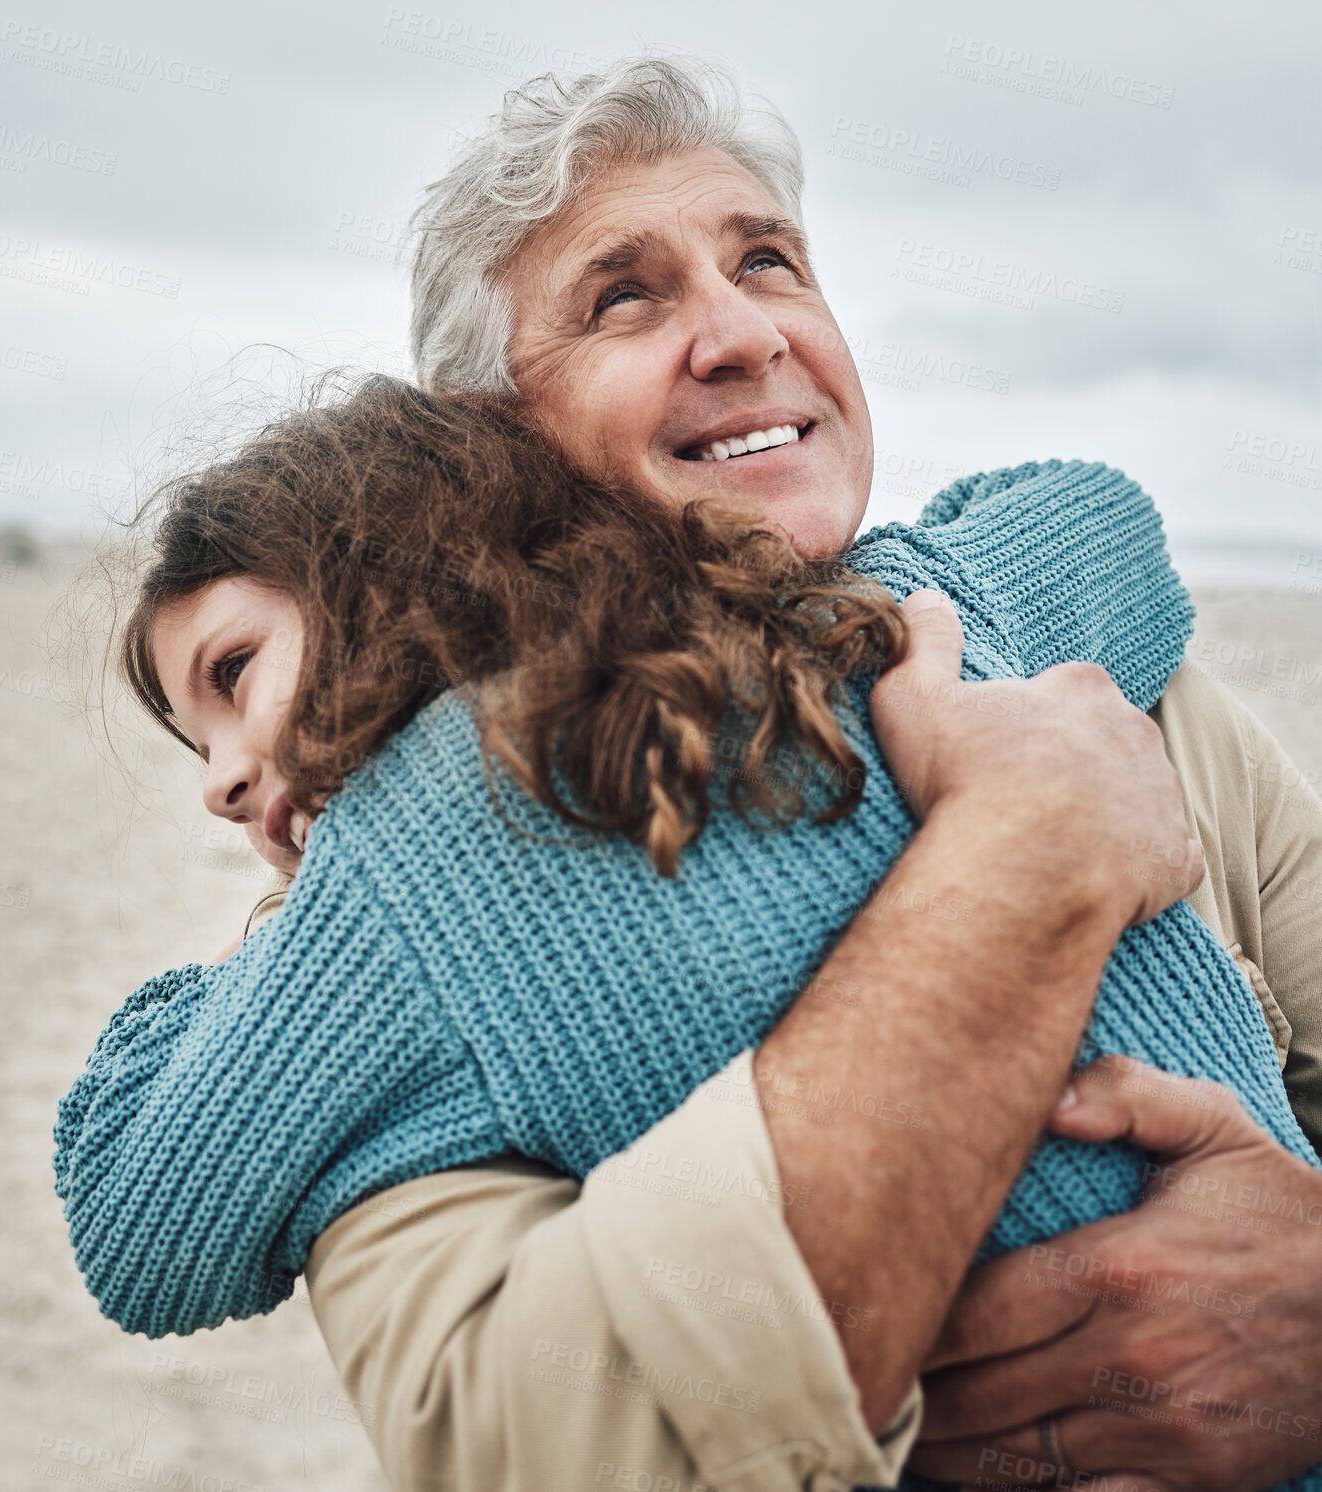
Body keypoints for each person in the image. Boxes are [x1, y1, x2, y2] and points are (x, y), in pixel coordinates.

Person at [308, 52, 1322, 1492]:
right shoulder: (423, 896)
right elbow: (520, 1436)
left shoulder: (1131, 702)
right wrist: (1028, 851)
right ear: (493, 448)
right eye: (625, 297)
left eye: (770, 261)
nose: (740, 334)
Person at [56, 363, 1320, 1492]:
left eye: (232, 674)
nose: (218, 781)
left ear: (373, 560)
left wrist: (253, 953)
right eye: (201, 740)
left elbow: (142, 1218)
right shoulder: (897, 618)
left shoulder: (393, 896)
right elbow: (1102, 521)